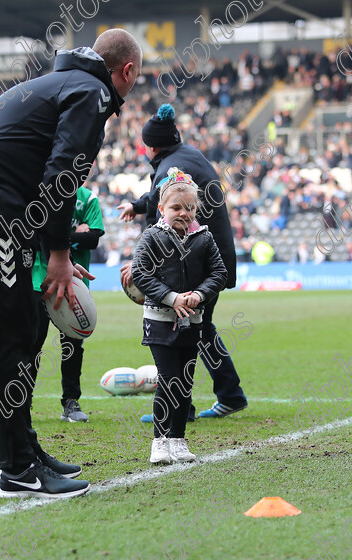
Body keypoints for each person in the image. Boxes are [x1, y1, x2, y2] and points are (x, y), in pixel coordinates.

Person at [0, 29, 142, 498]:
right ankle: (14, 470)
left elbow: (37, 173)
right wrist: (58, 253)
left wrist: (58, 253)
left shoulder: (66, 83)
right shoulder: (91, 92)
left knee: (26, 327)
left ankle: (24, 450)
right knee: (9, 333)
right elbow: (62, 174)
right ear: (127, 71)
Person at [118, 104, 248, 422]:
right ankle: (228, 395)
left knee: (183, 331)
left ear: (151, 147)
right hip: (212, 254)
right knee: (198, 329)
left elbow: (158, 220)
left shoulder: (167, 169)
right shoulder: (187, 156)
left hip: (196, 261)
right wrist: (136, 204)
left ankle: (182, 408)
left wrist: (139, 264)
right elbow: (162, 198)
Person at [130, 168, 227, 464]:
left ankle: (178, 439)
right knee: (169, 380)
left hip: (192, 322)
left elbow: (219, 273)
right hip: (159, 322)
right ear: (161, 208)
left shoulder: (204, 238)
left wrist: (199, 295)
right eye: (175, 207)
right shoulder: (152, 237)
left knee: (184, 383)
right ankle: (159, 440)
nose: (183, 213)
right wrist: (171, 298)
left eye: (189, 207)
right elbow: (140, 273)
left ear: (196, 209)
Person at [31, 185, 105, 423]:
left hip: (74, 281)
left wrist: (61, 236)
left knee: (73, 346)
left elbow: (93, 239)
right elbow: (34, 232)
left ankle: (71, 402)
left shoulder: (88, 198)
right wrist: (74, 233)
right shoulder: (41, 192)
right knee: (32, 344)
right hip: (37, 280)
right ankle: (23, 401)